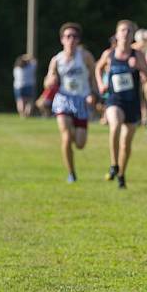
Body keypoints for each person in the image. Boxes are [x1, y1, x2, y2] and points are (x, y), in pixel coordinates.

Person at [95, 20, 147, 189]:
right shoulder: (109, 54)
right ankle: (114, 164)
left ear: (132, 35)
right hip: (114, 99)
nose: (125, 33)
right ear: (117, 33)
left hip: (132, 102)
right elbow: (98, 68)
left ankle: (121, 174)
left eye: (129, 31)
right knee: (115, 125)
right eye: (122, 30)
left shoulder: (137, 55)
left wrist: (140, 67)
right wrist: (100, 84)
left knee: (126, 143)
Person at [45, 22, 98, 183]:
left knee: (80, 144)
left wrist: (94, 94)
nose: (71, 39)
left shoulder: (85, 56)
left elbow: (94, 76)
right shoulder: (57, 59)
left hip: (81, 99)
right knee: (66, 137)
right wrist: (50, 80)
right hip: (63, 99)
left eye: (74, 37)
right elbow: (47, 81)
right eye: (68, 36)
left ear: (78, 40)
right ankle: (71, 173)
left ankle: (75, 132)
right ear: (62, 39)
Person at [13, 54, 37, 118]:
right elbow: (34, 61)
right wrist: (28, 57)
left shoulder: (16, 69)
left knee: (20, 101)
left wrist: (22, 58)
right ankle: (27, 114)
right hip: (29, 85)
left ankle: (22, 114)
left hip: (18, 86)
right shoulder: (30, 67)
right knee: (30, 101)